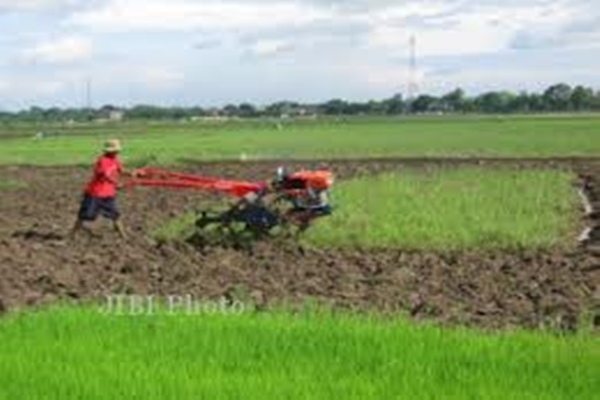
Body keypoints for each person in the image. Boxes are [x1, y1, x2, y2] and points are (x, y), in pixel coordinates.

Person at [70, 139, 129, 239]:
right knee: (85, 215)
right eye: (115, 151)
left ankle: (124, 236)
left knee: (115, 214)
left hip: (108, 194)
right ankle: (72, 234)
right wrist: (116, 183)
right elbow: (105, 175)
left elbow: (121, 170)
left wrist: (134, 173)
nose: (117, 152)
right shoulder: (102, 161)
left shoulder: (115, 160)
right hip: (95, 193)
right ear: (109, 151)